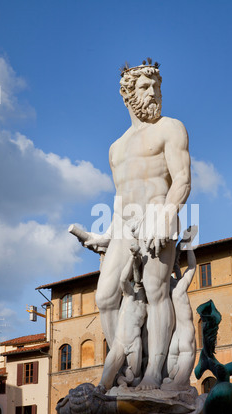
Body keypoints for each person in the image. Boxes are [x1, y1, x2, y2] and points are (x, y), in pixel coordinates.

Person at [82, 60, 191, 390]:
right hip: (124, 227)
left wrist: (166, 217)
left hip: (158, 216)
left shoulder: (170, 128)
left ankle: (154, 373)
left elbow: (182, 180)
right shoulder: (116, 148)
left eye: (156, 87)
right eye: (145, 87)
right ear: (127, 94)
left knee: (157, 293)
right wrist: (105, 238)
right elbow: (119, 198)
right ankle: (127, 366)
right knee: (105, 297)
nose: (153, 92)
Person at [98, 243, 147, 391]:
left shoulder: (148, 306)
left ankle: (127, 391)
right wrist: (132, 258)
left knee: (135, 378)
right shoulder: (129, 295)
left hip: (135, 343)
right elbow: (123, 280)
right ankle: (102, 393)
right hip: (120, 342)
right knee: (106, 376)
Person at [162, 226, 197, 390]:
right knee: (172, 384)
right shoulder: (179, 286)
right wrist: (188, 244)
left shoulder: (167, 288)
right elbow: (191, 267)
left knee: (172, 384)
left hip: (177, 337)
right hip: (181, 334)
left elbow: (189, 267)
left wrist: (186, 244)